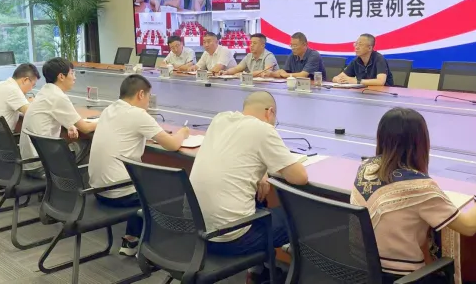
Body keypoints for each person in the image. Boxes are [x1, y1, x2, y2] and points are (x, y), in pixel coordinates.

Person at [351, 108, 476, 283]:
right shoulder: (420, 186)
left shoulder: (365, 168)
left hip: (360, 272)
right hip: (405, 279)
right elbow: (469, 226)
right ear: (420, 143)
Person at [190, 92, 308, 281]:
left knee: (258, 202)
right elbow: (300, 177)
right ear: (270, 112)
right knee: (301, 217)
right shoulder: (263, 130)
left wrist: (262, 171)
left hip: (197, 235)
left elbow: (241, 157)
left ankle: (258, 272)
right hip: (231, 240)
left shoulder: (219, 119)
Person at [88, 74, 189, 256]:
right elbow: (173, 145)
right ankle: (159, 248)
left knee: (139, 179)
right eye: (148, 97)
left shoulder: (109, 110)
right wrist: (183, 132)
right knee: (171, 189)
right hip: (120, 194)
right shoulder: (137, 114)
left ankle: (131, 240)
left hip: (98, 191)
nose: (148, 103)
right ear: (141, 94)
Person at [19, 58, 97, 179]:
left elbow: (52, 114)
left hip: (30, 162)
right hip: (43, 166)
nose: (75, 77)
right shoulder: (58, 97)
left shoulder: (45, 91)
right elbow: (85, 128)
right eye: (72, 73)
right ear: (61, 76)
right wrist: (104, 120)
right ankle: (76, 183)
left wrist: (70, 124)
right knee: (88, 142)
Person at [0, 63, 40, 157]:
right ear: (25, 80)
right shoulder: (13, 90)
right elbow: (30, 113)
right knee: (38, 151)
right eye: (33, 85)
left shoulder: (2, 84)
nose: (31, 89)